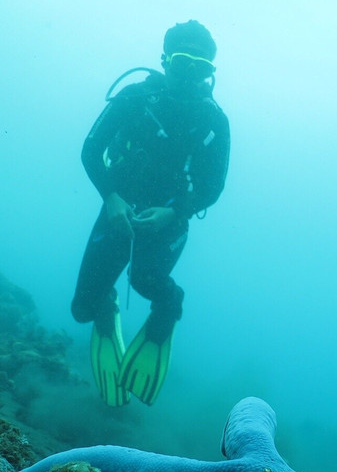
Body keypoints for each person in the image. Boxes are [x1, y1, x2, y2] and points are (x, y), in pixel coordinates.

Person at [71, 20, 230, 406]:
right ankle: (105, 306)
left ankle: (168, 305)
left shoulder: (214, 120)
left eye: (200, 67)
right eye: (181, 62)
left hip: (169, 219)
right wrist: (111, 198)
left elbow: (213, 187)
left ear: (209, 72)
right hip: (119, 210)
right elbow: (91, 149)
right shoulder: (134, 98)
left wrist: (172, 214)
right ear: (164, 59)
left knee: (145, 280)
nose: (189, 74)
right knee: (82, 309)